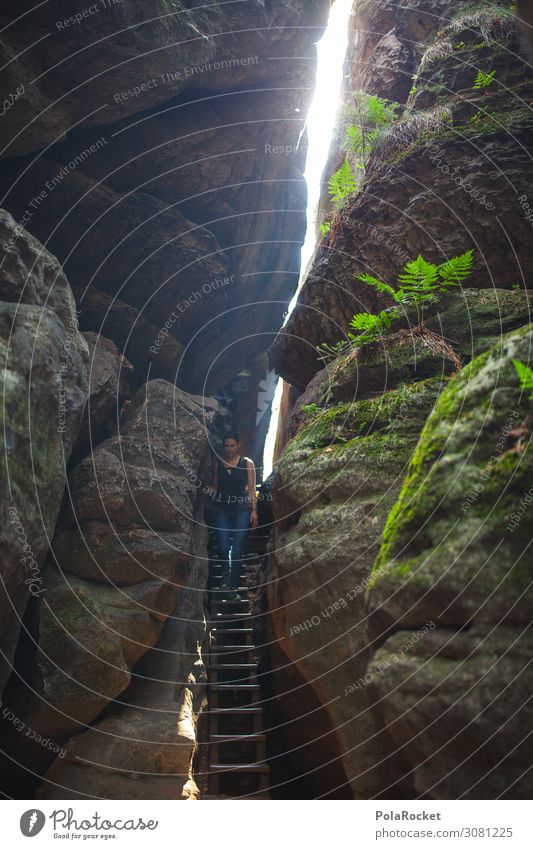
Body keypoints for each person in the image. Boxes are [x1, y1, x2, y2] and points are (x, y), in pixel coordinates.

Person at [207, 432, 258, 601]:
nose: (229, 449)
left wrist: (254, 511)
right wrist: (202, 489)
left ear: (238, 445)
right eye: (226, 445)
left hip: (242, 510)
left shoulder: (247, 463)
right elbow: (215, 487)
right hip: (223, 510)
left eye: (232, 445)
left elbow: (251, 489)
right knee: (222, 547)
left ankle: (233, 586)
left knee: (237, 550)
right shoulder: (218, 464)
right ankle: (224, 575)